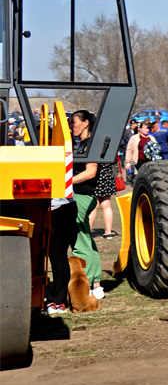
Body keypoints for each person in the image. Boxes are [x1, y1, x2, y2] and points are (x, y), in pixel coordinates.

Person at [46, 110, 104, 312]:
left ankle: (94, 284)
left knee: (79, 240)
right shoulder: (80, 143)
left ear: (86, 123)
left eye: (74, 123)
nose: (71, 127)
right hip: (75, 194)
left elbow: (91, 172)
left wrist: (65, 182)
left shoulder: (91, 144)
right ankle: (95, 284)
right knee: (84, 237)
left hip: (81, 194)